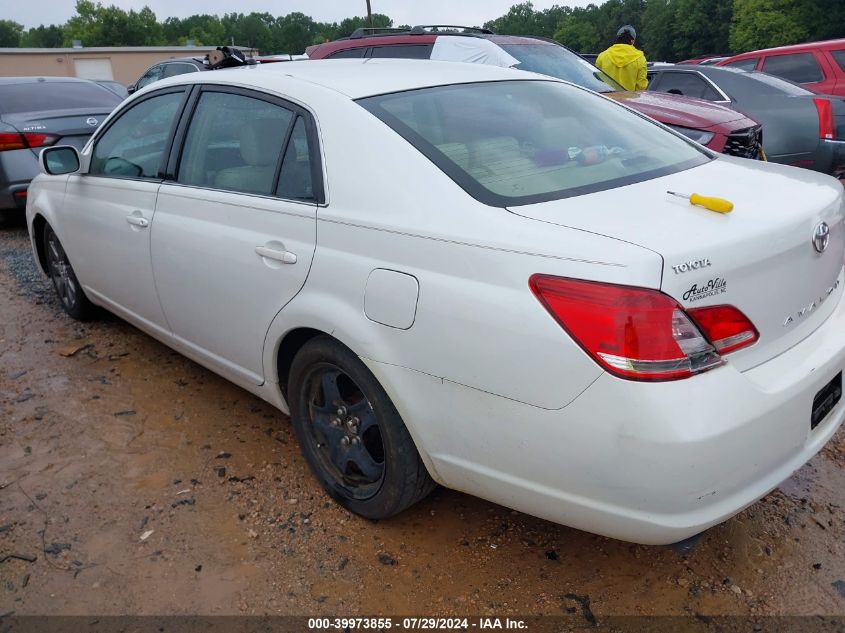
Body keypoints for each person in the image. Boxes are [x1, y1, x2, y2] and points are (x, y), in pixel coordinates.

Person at [595, 25, 648, 91]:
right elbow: (641, 86)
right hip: (628, 100)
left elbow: (596, 81)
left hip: (606, 99)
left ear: (617, 39)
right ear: (632, 41)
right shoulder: (640, 59)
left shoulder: (602, 56)